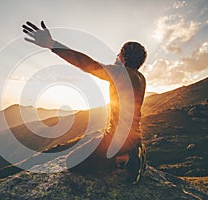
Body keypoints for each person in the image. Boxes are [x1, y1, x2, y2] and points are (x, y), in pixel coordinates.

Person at [22, 21, 147, 184]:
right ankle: (133, 151)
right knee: (92, 145)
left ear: (123, 57)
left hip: (117, 141)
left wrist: (52, 45)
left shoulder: (120, 73)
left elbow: (87, 63)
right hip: (132, 138)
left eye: (119, 54)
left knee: (71, 162)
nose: (116, 56)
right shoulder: (141, 78)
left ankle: (123, 159)